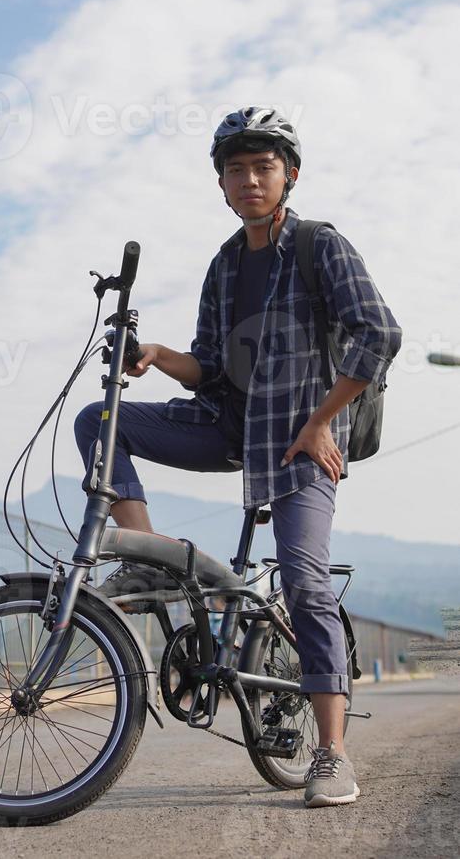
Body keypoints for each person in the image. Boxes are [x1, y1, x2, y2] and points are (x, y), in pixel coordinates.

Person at [74, 106, 402, 807]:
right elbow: (214, 370)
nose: (250, 180)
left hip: (299, 439)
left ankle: (332, 754)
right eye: (236, 170)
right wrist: (159, 356)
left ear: (289, 175)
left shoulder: (321, 246)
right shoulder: (225, 265)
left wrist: (322, 424)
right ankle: (149, 552)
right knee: (100, 420)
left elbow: (380, 334)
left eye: (263, 167)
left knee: (307, 586)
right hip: (230, 427)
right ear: (220, 184)